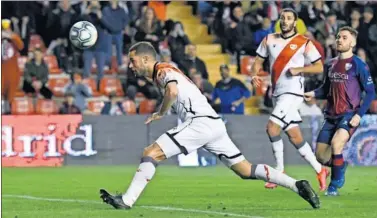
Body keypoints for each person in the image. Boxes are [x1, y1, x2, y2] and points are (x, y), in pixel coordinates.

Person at [99, 41, 320, 210]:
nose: (131, 65)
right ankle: (297, 184)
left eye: (133, 60)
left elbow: (173, 91)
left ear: (146, 59)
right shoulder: (161, 74)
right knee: (245, 170)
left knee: (151, 152)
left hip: (200, 123)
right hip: (214, 125)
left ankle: (127, 200)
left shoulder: (163, 70)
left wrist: (161, 112)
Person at [251, 8, 328, 191]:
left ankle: (279, 171)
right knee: (295, 136)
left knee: (271, 128)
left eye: (289, 18)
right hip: (277, 93)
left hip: (293, 94)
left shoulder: (304, 42)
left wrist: (299, 70)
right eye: (282, 18)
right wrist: (254, 74)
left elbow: (319, 68)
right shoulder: (269, 39)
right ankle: (320, 169)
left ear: (295, 22)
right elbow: (258, 61)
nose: (285, 21)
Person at [304, 26, 376, 196]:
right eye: (338, 37)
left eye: (344, 37)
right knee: (321, 157)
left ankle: (334, 186)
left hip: (349, 115)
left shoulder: (359, 65)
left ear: (352, 42)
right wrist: (313, 93)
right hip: (330, 116)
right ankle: (340, 165)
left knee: (337, 144)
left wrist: (359, 115)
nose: (339, 40)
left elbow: (371, 92)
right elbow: (325, 89)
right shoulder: (330, 64)